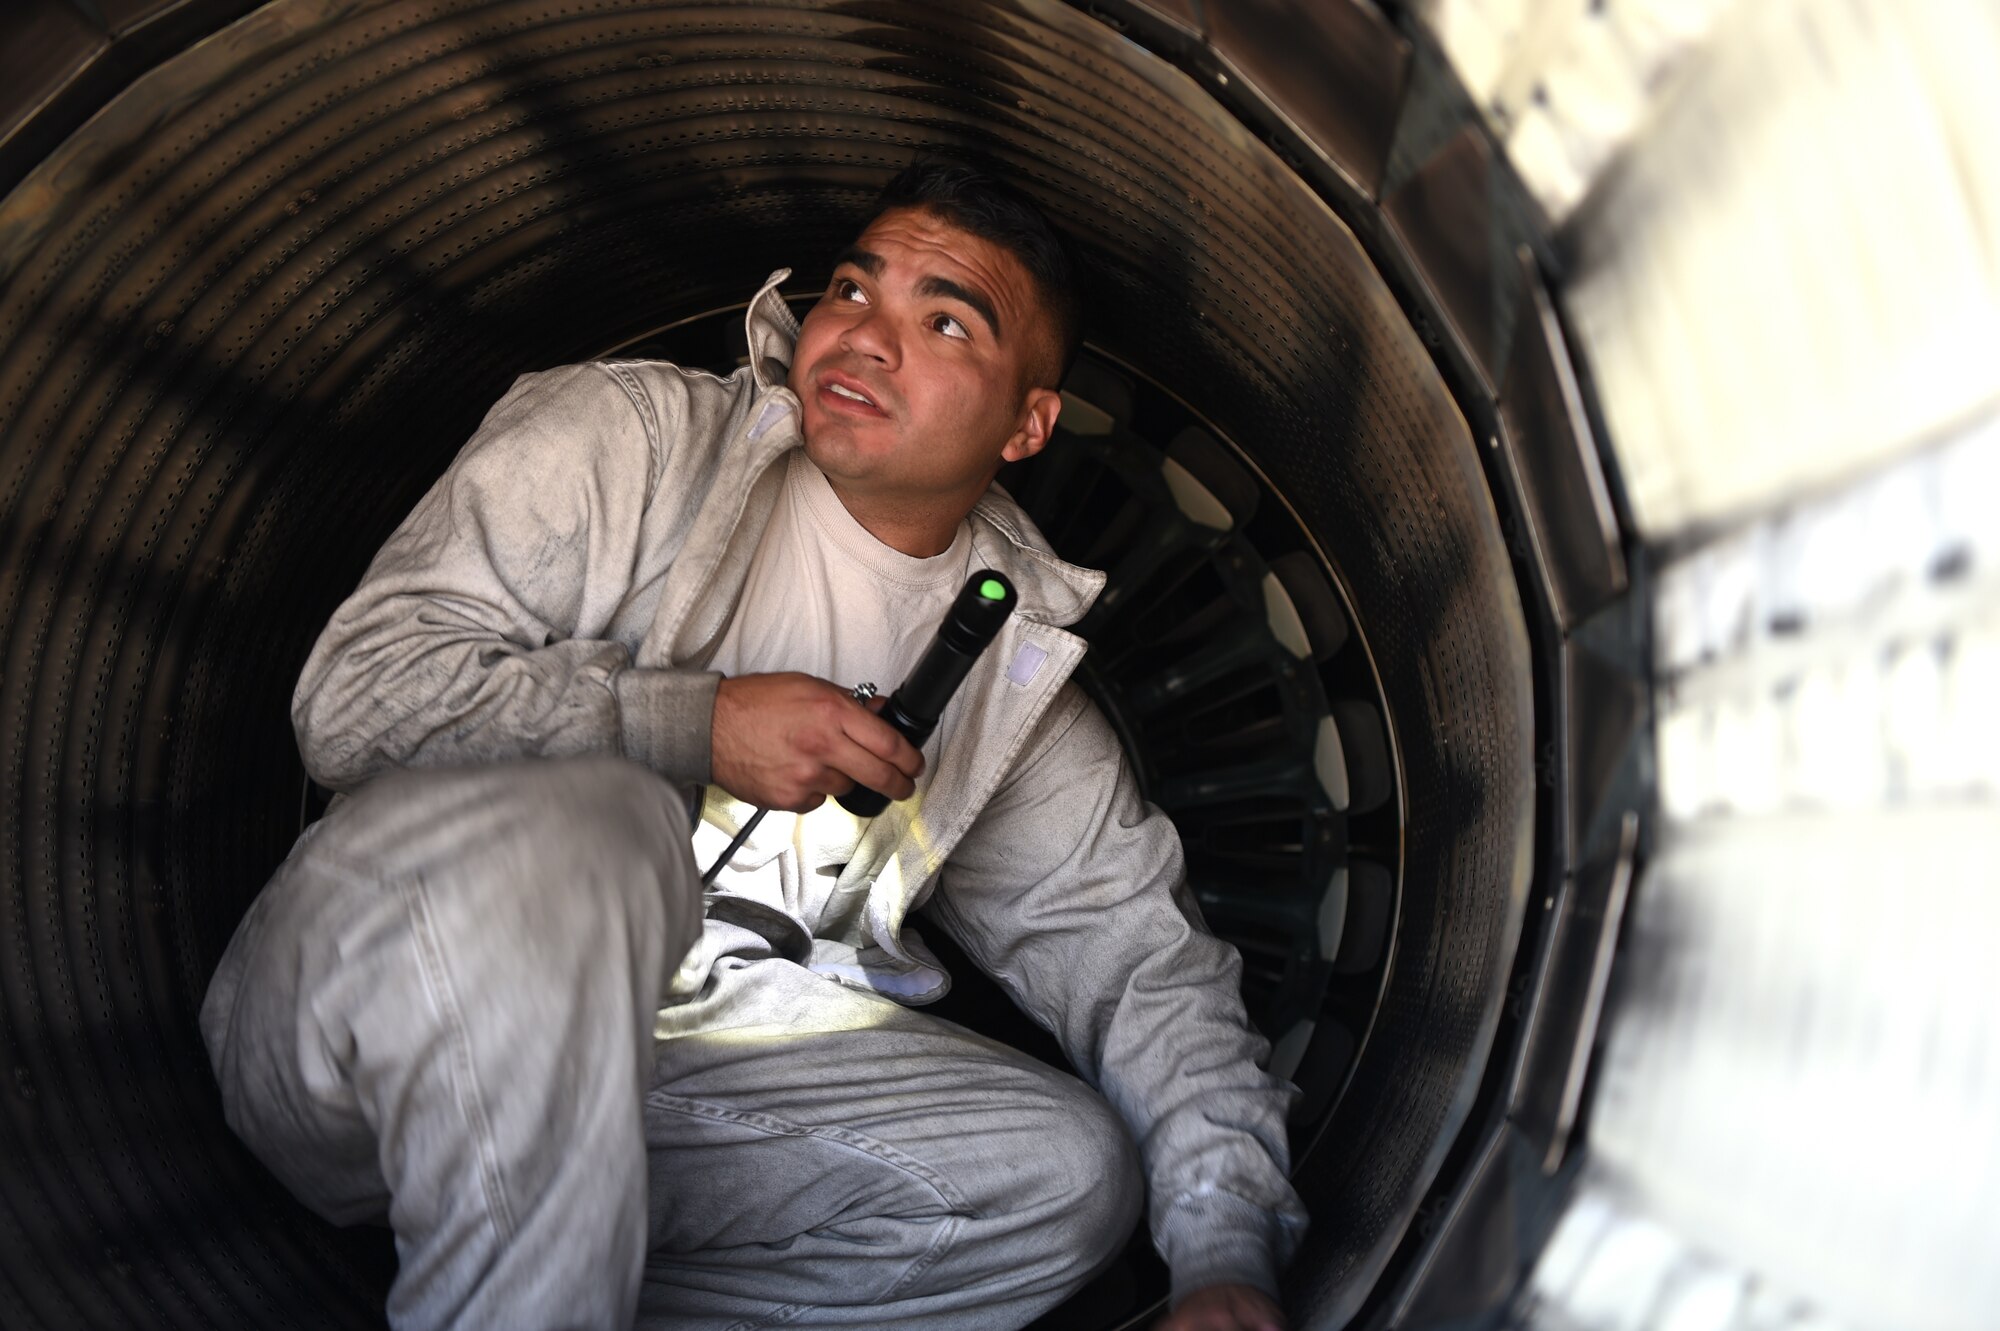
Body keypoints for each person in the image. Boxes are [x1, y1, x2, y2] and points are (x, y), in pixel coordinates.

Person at [201, 161, 1307, 1331]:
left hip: (651, 1116)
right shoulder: (625, 439)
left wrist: (1222, 1246)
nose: (869, 337)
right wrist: (695, 720)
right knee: (612, 820)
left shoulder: (1009, 680)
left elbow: (1140, 969)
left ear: (1028, 421)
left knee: (1064, 1173)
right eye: (852, 288)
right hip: (358, 1022)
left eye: (943, 321)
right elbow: (353, 700)